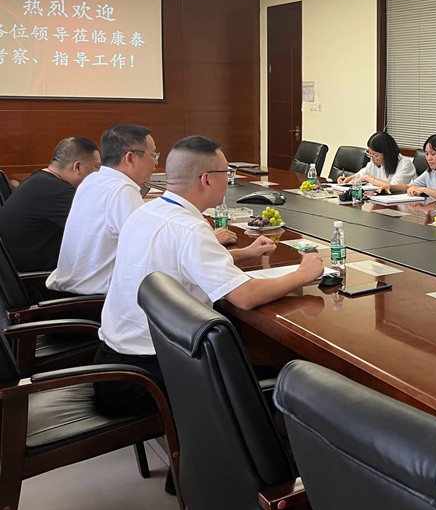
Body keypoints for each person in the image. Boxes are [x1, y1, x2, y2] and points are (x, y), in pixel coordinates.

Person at [94, 135, 325, 417]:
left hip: (113, 366)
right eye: (225, 173)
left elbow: (180, 261)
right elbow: (244, 297)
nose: (228, 180)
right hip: (148, 379)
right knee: (287, 379)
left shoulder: (147, 212)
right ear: (207, 179)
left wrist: (244, 253)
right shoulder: (190, 228)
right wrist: (303, 274)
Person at [46, 124, 162, 296]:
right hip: (95, 300)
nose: (156, 162)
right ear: (130, 158)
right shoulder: (121, 190)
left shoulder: (92, 180)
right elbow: (150, 251)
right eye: (153, 155)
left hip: (70, 290)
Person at [0, 137, 100, 272]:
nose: (99, 174)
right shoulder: (59, 191)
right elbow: (96, 233)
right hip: (36, 278)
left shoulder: (39, 179)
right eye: (97, 167)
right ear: (77, 167)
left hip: (15, 270)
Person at [337, 132, 415, 193]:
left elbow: (392, 187)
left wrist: (367, 178)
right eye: (369, 154)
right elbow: (362, 173)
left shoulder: (405, 164)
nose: (372, 158)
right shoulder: (375, 161)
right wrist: (347, 179)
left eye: (375, 155)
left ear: (387, 153)